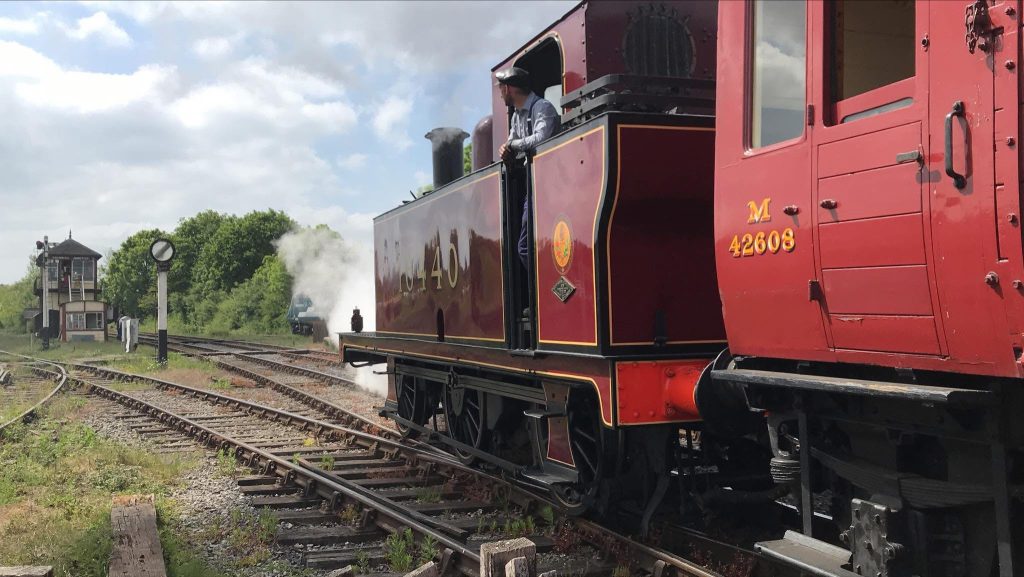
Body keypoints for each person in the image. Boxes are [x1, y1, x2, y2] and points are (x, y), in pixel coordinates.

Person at [494, 66, 558, 267]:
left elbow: (542, 138)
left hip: (550, 184)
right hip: (532, 185)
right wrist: (506, 150)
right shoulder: (516, 116)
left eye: (501, 88)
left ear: (509, 89)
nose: (500, 93)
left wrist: (512, 145)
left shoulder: (543, 107)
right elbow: (512, 143)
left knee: (526, 248)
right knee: (525, 247)